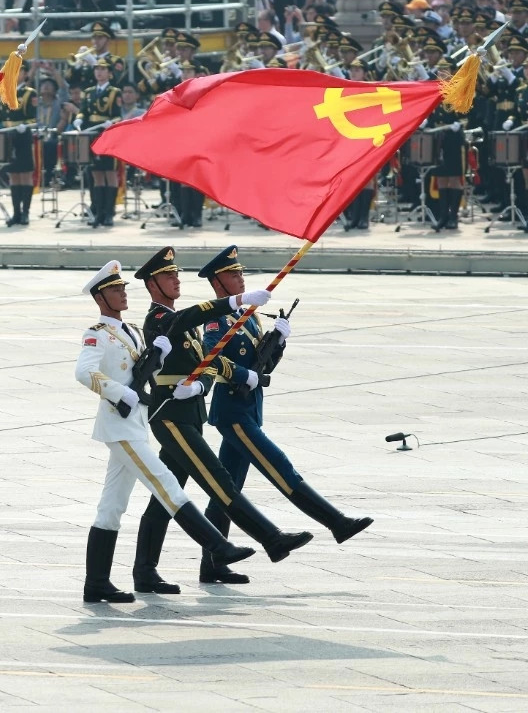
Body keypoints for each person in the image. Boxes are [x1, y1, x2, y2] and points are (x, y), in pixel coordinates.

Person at [131, 246, 313, 593]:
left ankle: (145, 571)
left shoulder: (182, 322)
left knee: (166, 496)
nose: (176, 280)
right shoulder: (159, 318)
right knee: (218, 479)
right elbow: (184, 318)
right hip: (169, 416)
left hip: (188, 415)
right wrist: (235, 301)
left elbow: (209, 362)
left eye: (176, 274)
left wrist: (202, 383)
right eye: (168, 276)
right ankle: (270, 538)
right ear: (153, 285)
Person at [75, 261, 256, 603]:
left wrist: (157, 356)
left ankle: (96, 583)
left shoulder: (128, 330)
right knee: (166, 485)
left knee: (112, 506)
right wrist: (119, 392)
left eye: (124, 287)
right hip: (119, 426)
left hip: (135, 424)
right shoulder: (96, 333)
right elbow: (84, 373)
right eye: (116, 290)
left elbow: (142, 372)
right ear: (101, 297)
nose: (123, 293)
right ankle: (217, 544)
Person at [196, 246, 373, 584]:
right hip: (232, 410)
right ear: (219, 282)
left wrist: (277, 341)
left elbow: (264, 367)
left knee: (226, 489)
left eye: (240, 272)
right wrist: (240, 374)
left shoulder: (247, 317)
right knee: (280, 466)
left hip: (248, 409)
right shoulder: (218, 319)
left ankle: (212, 563)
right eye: (234, 274)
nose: (241, 277)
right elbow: (210, 358)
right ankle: (336, 523)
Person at [79, 60, 122, 227]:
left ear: (109, 73)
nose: (99, 72)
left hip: (107, 133)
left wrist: (111, 122)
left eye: (103, 69)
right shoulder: (88, 92)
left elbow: (118, 115)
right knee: (96, 174)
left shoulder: (114, 92)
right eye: (97, 69)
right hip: (92, 133)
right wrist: (78, 120)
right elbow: (83, 111)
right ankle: (99, 212)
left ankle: (109, 212)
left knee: (109, 173)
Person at [0, 65, 38, 226]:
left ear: (25, 73)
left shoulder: (29, 93)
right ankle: (16, 213)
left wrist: (25, 124)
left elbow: (33, 118)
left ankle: (25, 212)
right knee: (13, 175)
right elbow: (1, 112)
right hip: (9, 135)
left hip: (23, 134)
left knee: (25, 174)